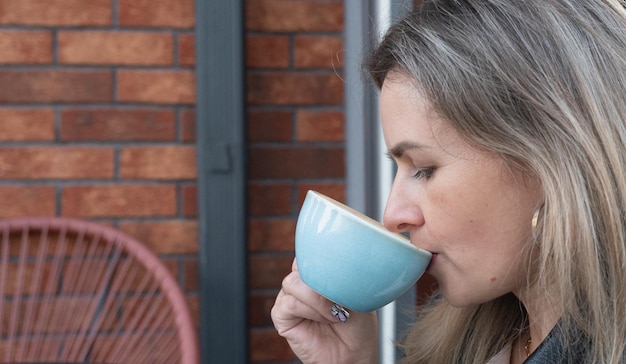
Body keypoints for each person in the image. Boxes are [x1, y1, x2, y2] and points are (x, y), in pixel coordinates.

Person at [271, 0, 626, 362]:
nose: (393, 215)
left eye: (423, 168)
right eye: (398, 168)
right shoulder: (461, 341)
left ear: (552, 159)